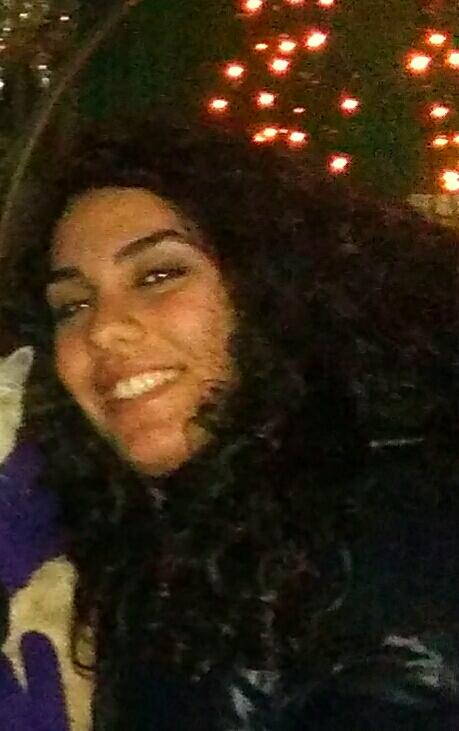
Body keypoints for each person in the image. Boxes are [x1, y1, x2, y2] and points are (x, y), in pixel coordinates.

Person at [3, 114, 459, 730]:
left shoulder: (397, 538)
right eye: (73, 305)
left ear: (274, 287)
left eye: (159, 275)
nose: (103, 329)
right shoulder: (161, 528)